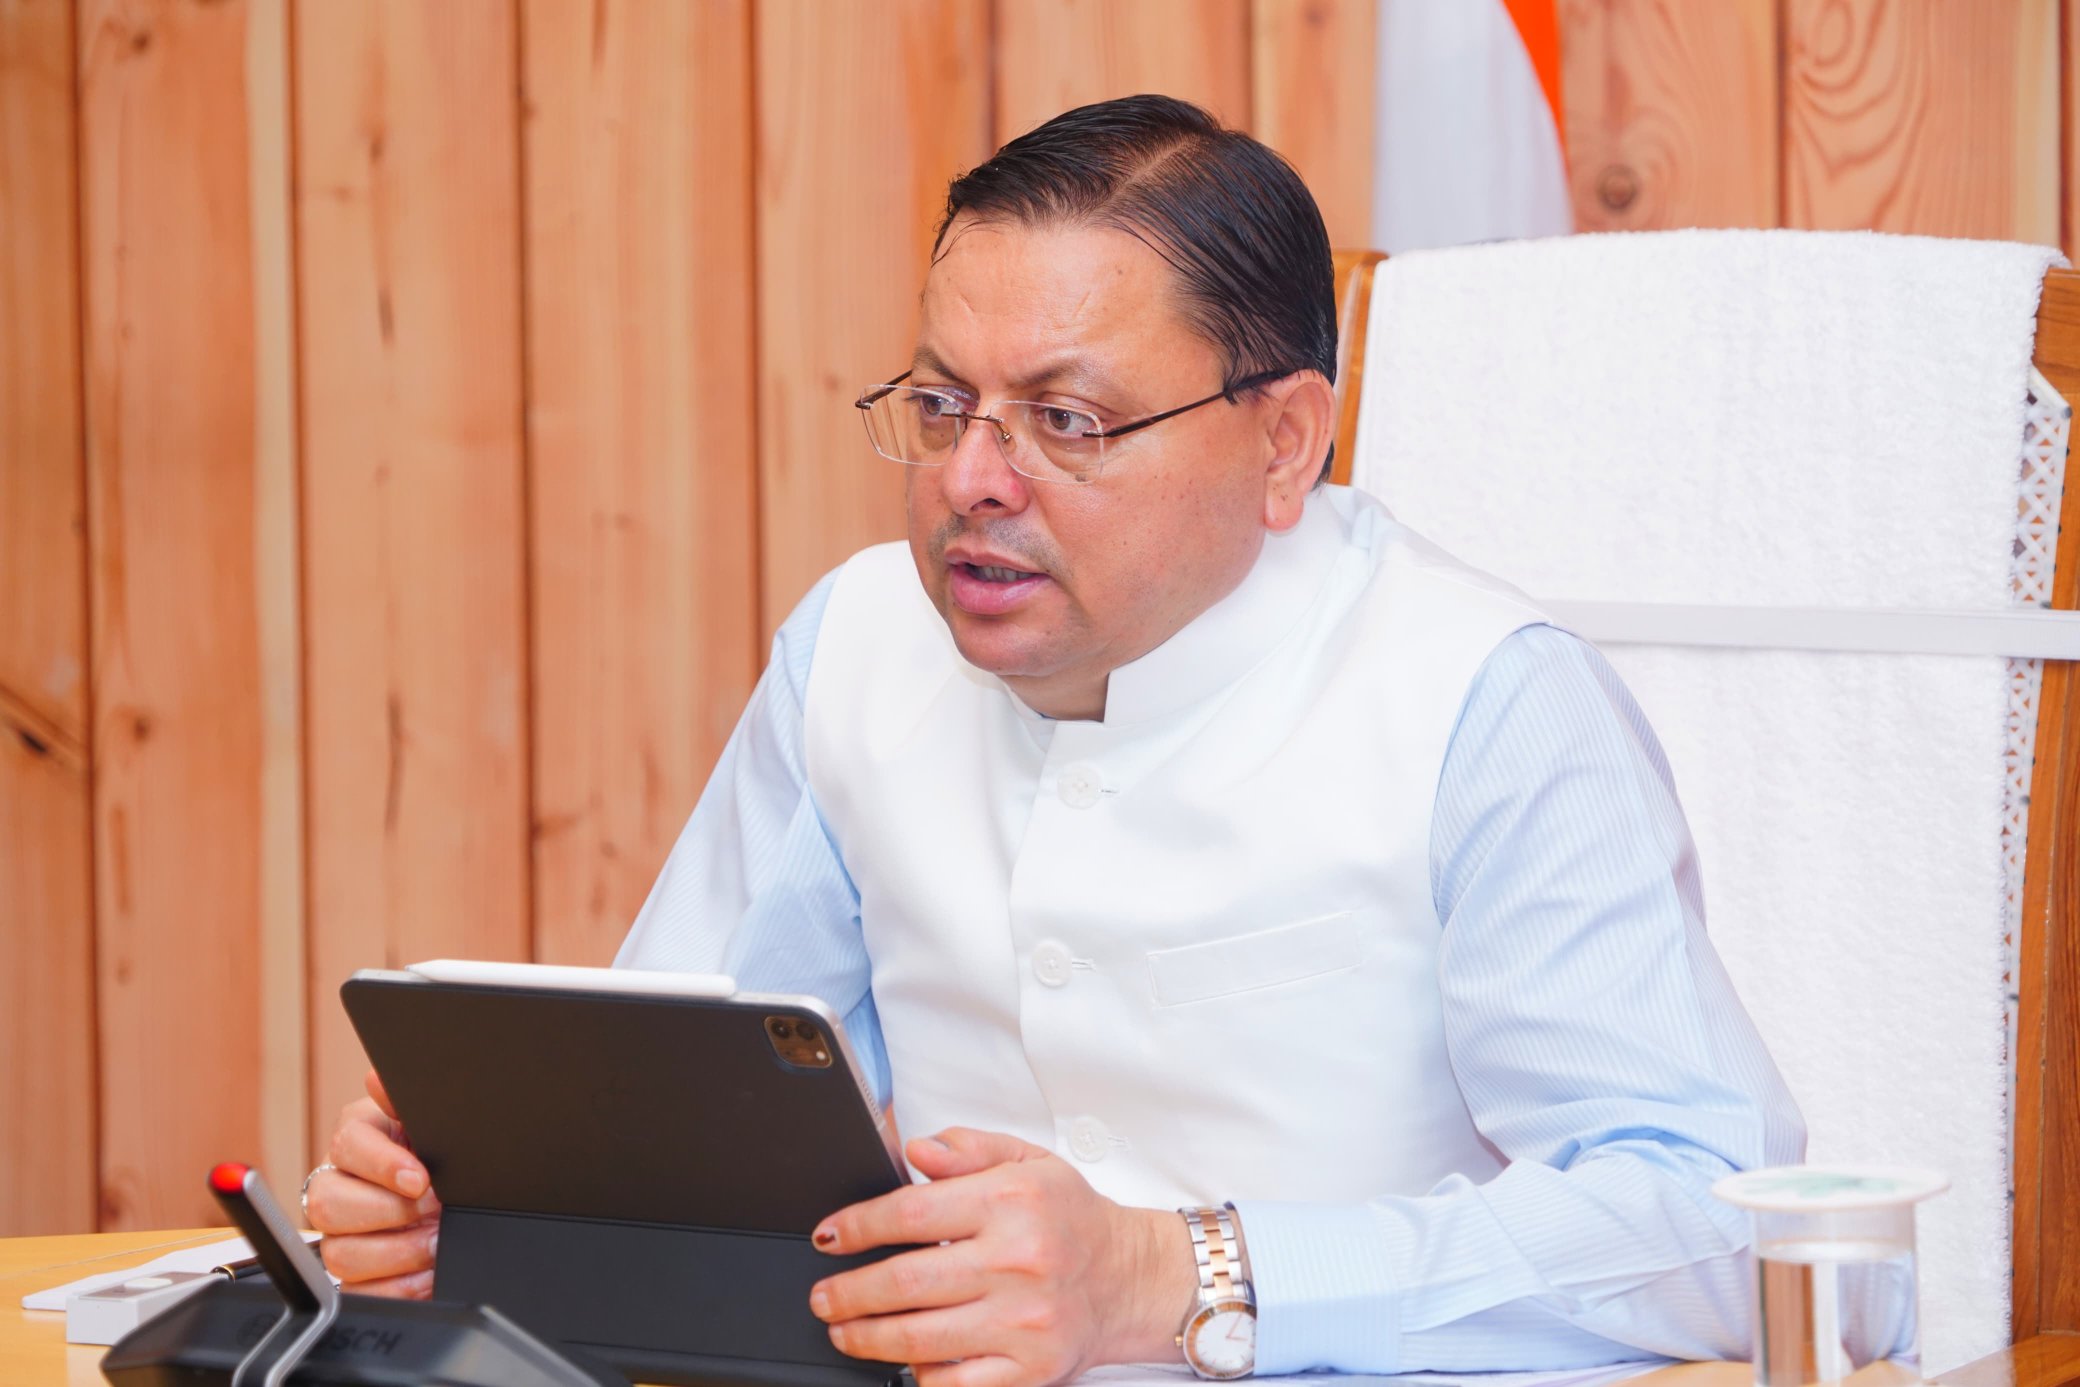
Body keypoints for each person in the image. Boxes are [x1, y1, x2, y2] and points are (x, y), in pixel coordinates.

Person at [303, 95, 1804, 1386]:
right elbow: (684, 1114)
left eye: (1067, 421)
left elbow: (1719, 1229)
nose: (973, 479)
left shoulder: (1488, 700)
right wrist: (490, 1220)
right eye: (943, 401)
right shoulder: (854, 646)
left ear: (1284, 443)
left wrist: (1175, 1275)